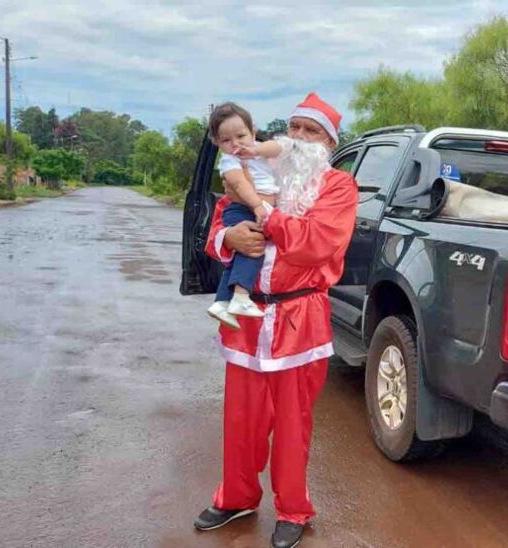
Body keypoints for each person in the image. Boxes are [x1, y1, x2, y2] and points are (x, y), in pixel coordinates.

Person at [193, 92, 358, 548]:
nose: (300, 138)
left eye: (312, 132)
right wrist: (228, 237)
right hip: (246, 318)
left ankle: (293, 509)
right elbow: (216, 230)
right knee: (240, 418)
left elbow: (315, 243)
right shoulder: (257, 172)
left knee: (291, 422)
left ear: (329, 143)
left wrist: (266, 217)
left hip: (299, 319)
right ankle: (236, 497)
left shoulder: (338, 186)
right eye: (295, 128)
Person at [206, 102, 281, 328]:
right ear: (217, 143)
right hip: (243, 209)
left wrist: (256, 150)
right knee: (253, 248)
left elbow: (278, 147)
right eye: (226, 140)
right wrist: (257, 205)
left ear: (253, 133)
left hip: (253, 207)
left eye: (241, 136)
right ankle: (240, 296)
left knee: (240, 255)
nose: (236, 144)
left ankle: (221, 302)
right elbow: (240, 184)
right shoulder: (230, 161)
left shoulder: (257, 150)